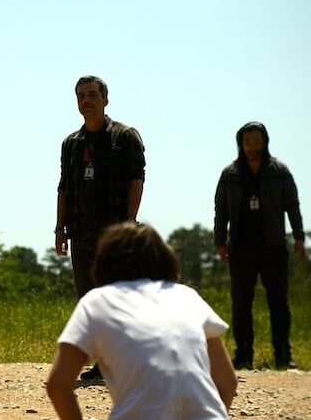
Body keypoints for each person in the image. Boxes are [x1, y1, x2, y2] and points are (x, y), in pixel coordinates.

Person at [47, 222, 238, 420]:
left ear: (103, 264)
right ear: (166, 260)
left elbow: (58, 385)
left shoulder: (97, 301)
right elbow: (227, 383)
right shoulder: (188, 296)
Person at [54, 75, 146, 379]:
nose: (87, 100)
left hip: (114, 234)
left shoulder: (124, 137)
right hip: (80, 233)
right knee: (90, 301)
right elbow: (63, 187)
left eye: (93, 95)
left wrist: (130, 222)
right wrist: (60, 229)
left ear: (105, 100)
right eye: (81, 95)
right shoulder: (71, 143)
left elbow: (136, 179)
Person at [213, 121, 306, 370]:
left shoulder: (279, 171)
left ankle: (283, 357)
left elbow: (293, 205)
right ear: (240, 145)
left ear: (265, 142)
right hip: (240, 248)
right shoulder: (230, 174)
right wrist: (220, 241)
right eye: (247, 142)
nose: (252, 147)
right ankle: (243, 356)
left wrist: (299, 237)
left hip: (273, 247)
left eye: (256, 141)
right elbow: (221, 209)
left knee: (279, 302)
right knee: (241, 303)